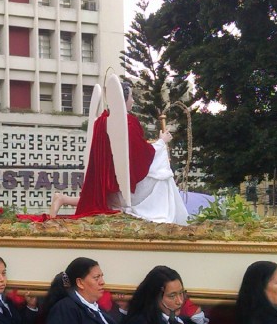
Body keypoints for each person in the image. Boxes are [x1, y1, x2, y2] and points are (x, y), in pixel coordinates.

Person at [54, 80, 188, 225]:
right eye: (131, 96)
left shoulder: (101, 121)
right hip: (124, 189)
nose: (133, 100)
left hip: (110, 186)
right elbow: (140, 156)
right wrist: (161, 142)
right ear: (123, 99)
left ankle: (62, 198)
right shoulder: (128, 122)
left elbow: (133, 151)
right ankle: (165, 217)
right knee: (163, 173)